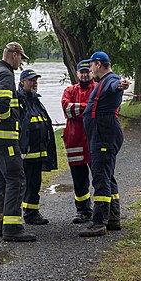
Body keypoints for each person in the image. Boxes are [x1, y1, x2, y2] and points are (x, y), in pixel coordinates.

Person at [0, 42, 36, 242]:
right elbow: (1, 101)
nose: (21, 62)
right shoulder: (6, 74)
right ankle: (12, 228)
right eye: (21, 58)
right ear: (14, 55)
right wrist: (3, 116)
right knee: (16, 179)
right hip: (4, 137)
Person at [79, 51, 125, 237]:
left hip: (104, 135)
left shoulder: (111, 80)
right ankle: (113, 217)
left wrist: (121, 85)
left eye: (91, 66)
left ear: (98, 64)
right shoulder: (104, 81)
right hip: (102, 134)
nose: (90, 70)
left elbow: (116, 85)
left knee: (100, 177)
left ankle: (99, 222)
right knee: (107, 175)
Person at [17, 69, 57, 225]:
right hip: (26, 153)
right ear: (22, 82)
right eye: (31, 80)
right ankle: (25, 214)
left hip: (38, 152)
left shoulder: (35, 100)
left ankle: (31, 213)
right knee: (24, 184)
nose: (34, 83)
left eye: (36, 80)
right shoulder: (19, 100)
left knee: (34, 184)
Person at [61, 61, 95, 224]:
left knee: (100, 177)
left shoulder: (98, 88)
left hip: (93, 140)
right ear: (76, 74)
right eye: (81, 72)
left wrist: (81, 110)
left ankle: (104, 210)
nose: (84, 75)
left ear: (92, 72)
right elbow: (67, 109)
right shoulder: (69, 90)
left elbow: (98, 110)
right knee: (79, 179)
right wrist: (88, 108)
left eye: (87, 71)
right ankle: (83, 210)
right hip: (74, 141)